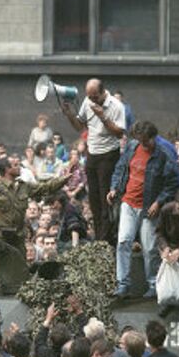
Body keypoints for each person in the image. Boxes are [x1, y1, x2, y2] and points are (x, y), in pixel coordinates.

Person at [0, 157, 69, 293]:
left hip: (17, 236)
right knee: (2, 272)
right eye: (16, 165)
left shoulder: (23, 186)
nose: (19, 168)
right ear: (7, 169)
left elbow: (44, 188)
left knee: (21, 271)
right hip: (0, 237)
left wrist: (63, 179)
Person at [108, 120, 179, 299]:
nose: (143, 144)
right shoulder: (132, 147)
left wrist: (159, 201)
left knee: (149, 247)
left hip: (149, 207)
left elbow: (172, 182)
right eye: (140, 140)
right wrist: (114, 188)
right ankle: (123, 284)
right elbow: (120, 169)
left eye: (145, 141)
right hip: (129, 203)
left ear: (152, 137)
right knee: (123, 241)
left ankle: (153, 284)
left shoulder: (163, 153)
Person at [61, 78, 125, 244]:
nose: (91, 100)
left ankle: (107, 239)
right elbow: (79, 126)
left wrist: (103, 117)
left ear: (102, 92)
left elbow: (119, 133)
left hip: (109, 154)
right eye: (89, 96)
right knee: (94, 199)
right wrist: (68, 114)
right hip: (92, 154)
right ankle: (99, 238)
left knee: (106, 199)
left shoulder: (116, 106)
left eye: (94, 96)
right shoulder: (88, 101)